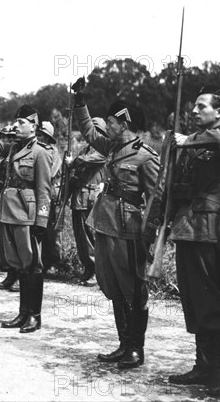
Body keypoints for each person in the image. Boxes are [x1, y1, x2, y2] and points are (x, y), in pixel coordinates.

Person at [72, 78, 160, 369]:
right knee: (114, 286)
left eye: (110, 121)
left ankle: (137, 348)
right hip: (106, 225)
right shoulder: (111, 147)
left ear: (124, 123)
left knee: (133, 289)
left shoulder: (145, 157)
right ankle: (124, 344)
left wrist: (148, 237)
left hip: (129, 230)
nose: (106, 126)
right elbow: (87, 130)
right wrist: (79, 100)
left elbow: (156, 199)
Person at [167, 85, 220, 396]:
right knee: (195, 298)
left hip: (213, 230)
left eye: (202, 107)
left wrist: (190, 140)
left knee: (215, 299)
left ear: (219, 113)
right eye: (195, 107)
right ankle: (202, 365)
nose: (195, 111)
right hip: (188, 227)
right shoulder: (195, 143)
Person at [0, 101, 54, 334]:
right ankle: (23, 313)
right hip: (10, 211)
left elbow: (45, 190)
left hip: (27, 215)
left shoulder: (40, 152)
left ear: (33, 126)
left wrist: (41, 221)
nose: (16, 125)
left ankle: (35, 316)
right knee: (21, 265)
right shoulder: (13, 148)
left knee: (33, 265)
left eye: (21, 122)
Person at [67, 118, 107, 285]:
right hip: (79, 196)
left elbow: (88, 160)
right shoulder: (86, 149)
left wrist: (73, 161)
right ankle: (88, 268)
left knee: (91, 236)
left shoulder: (102, 149)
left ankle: (97, 272)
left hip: (92, 198)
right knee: (81, 237)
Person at [0, 125, 19, 292]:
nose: (9, 139)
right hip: (3, 199)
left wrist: (0, 163)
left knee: (16, 240)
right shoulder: (8, 150)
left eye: (12, 136)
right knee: (4, 239)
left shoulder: (19, 152)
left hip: (17, 201)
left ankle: (19, 276)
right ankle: (10, 273)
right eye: (6, 137)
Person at [35, 121, 63, 277]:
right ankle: (40, 261)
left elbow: (50, 174)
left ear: (48, 138)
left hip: (51, 194)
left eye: (42, 136)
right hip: (39, 193)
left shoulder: (54, 152)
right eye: (37, 135)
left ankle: (52, 263)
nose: (39, 138)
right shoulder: (36, 151)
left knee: (51, 231)